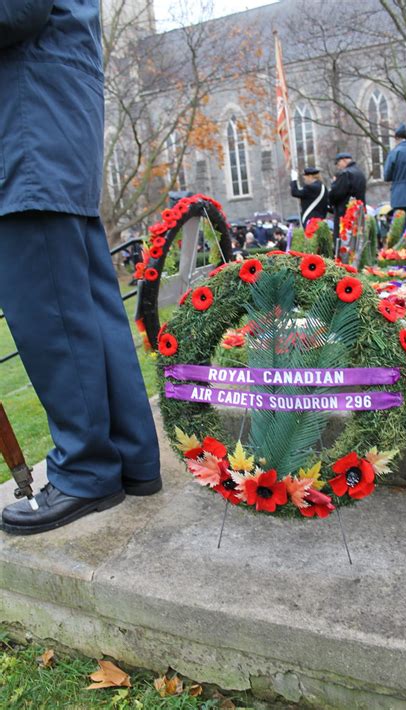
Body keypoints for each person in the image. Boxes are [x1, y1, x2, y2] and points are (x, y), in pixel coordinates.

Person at [0, 2, 161, 536]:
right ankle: (130, 458)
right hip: (48, 123)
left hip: (29, 129)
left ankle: (88, 470)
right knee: (88, 309)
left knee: (50, 316)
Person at [328, 153, 366, 243]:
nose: (338, 167)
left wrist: (333, 185)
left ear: (344, 160)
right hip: (358, 212)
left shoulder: (345, 174)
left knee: (343, 242)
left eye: (338, 163)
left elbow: (336, 194)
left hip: (344, 214)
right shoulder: (360, 173)